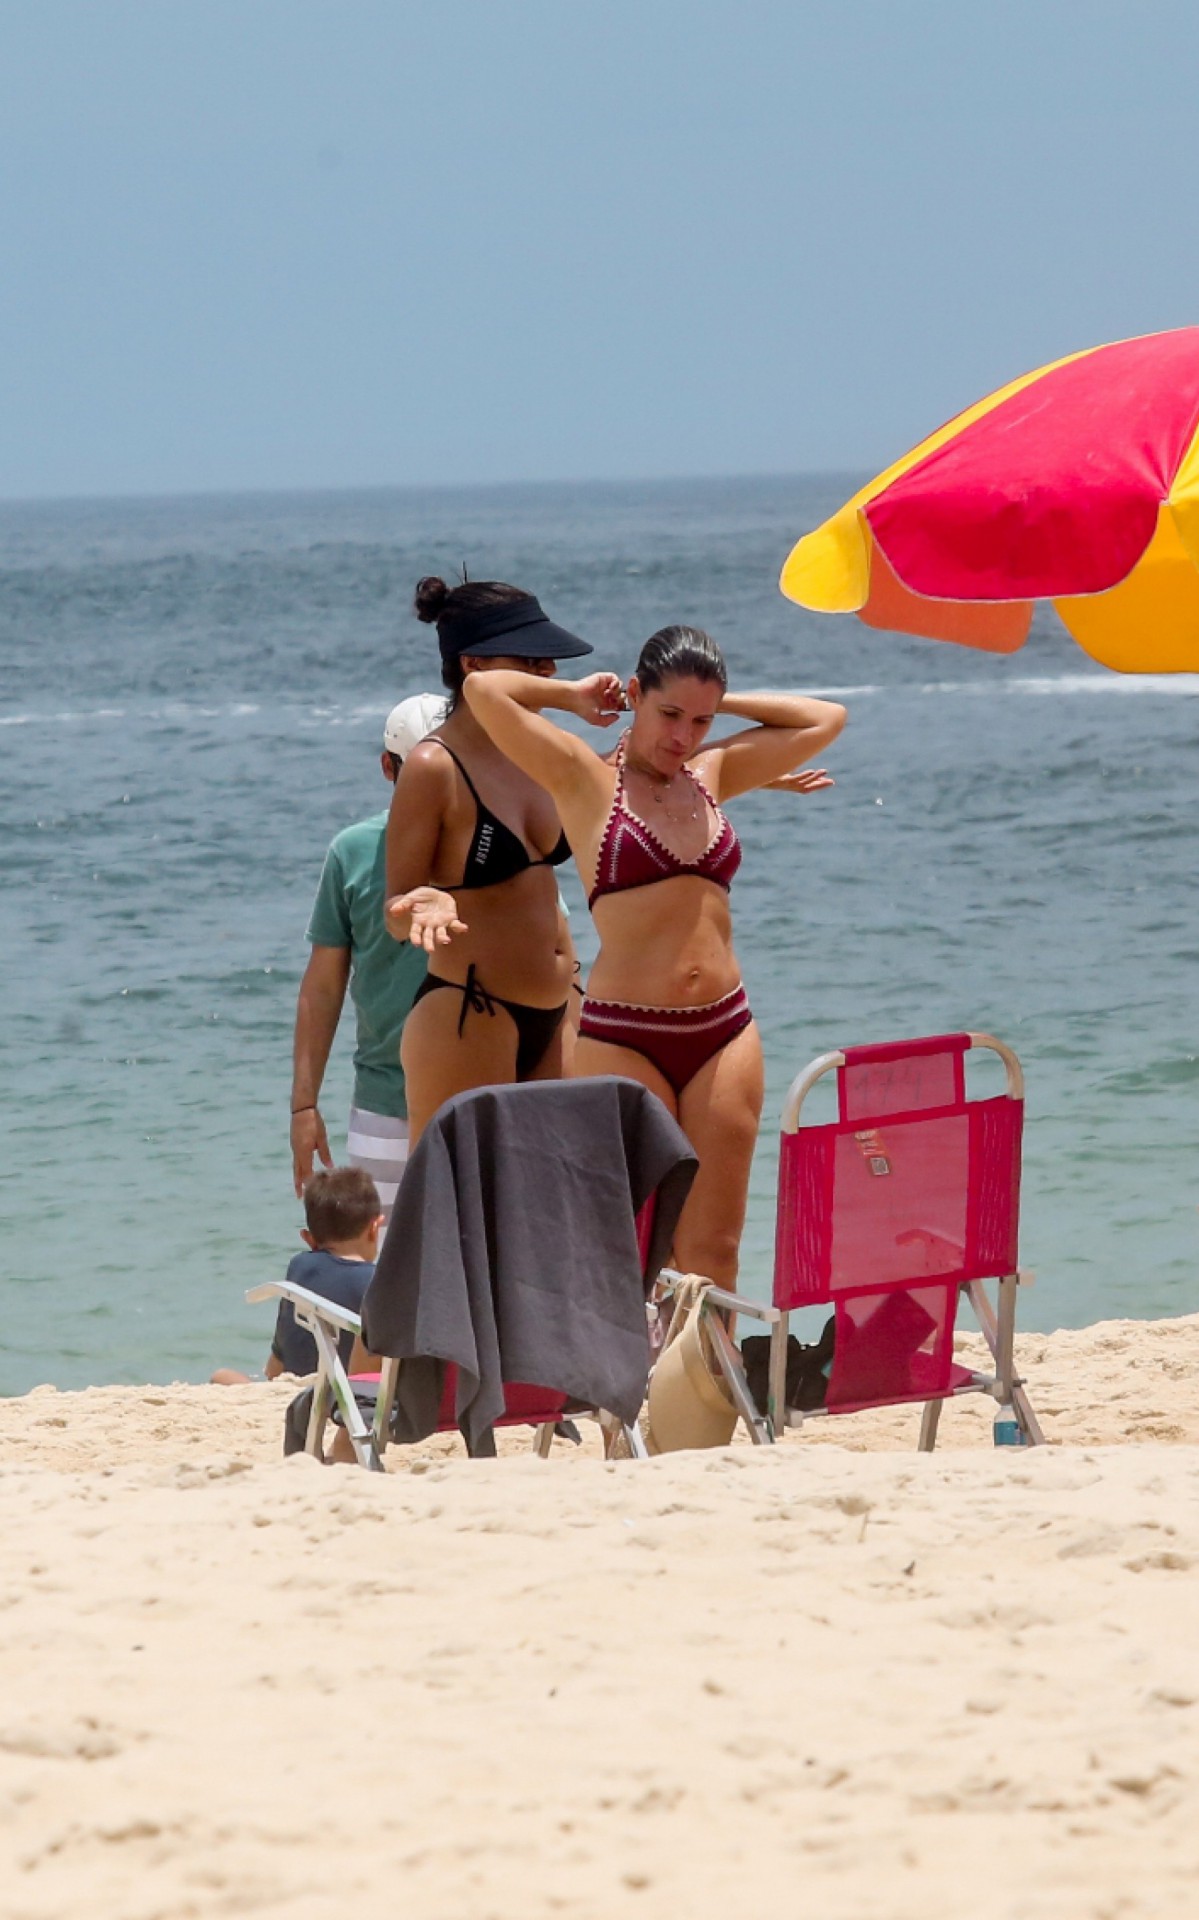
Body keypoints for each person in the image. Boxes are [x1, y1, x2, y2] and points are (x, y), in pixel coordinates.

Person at [461, 624, 847, 1285]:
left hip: (723, 1031)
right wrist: (572, 695)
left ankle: (704, 1387)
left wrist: (714, 704)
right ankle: (623, 1384)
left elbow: (825, 717)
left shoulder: (710, 773)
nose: (682, 736)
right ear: (634, 694)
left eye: (698, 721)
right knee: (630, 1254)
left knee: (712, 1253)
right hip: (624, 1035)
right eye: (668, 714)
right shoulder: (582, 779)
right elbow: (482, 688)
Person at [382, 578, 593, 1143]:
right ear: (473, 665)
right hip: (472, 1014)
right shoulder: (434, 766)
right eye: (530, 660)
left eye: (548, 660)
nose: (549, 673)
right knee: (470, 1214)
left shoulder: (544, 749)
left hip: (562, 1009)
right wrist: (424, 902)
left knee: (559, 1212)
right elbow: (394, 915)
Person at [290, 693, 446, 1217]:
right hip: (385, 1107)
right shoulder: (352, 851)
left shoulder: (494, 842)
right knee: (393, 1277)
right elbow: (323, 985)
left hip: (488, 1095)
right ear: (389, 767)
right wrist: (304, 1106)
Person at [211, 1166, 382, 1385]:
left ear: (308, 1238)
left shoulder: (299, 1267)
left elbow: (275, 1368)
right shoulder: (378, 1283)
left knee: (222, 1376)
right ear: (374, 1229)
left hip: (299, 1392)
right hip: (349, 1398)